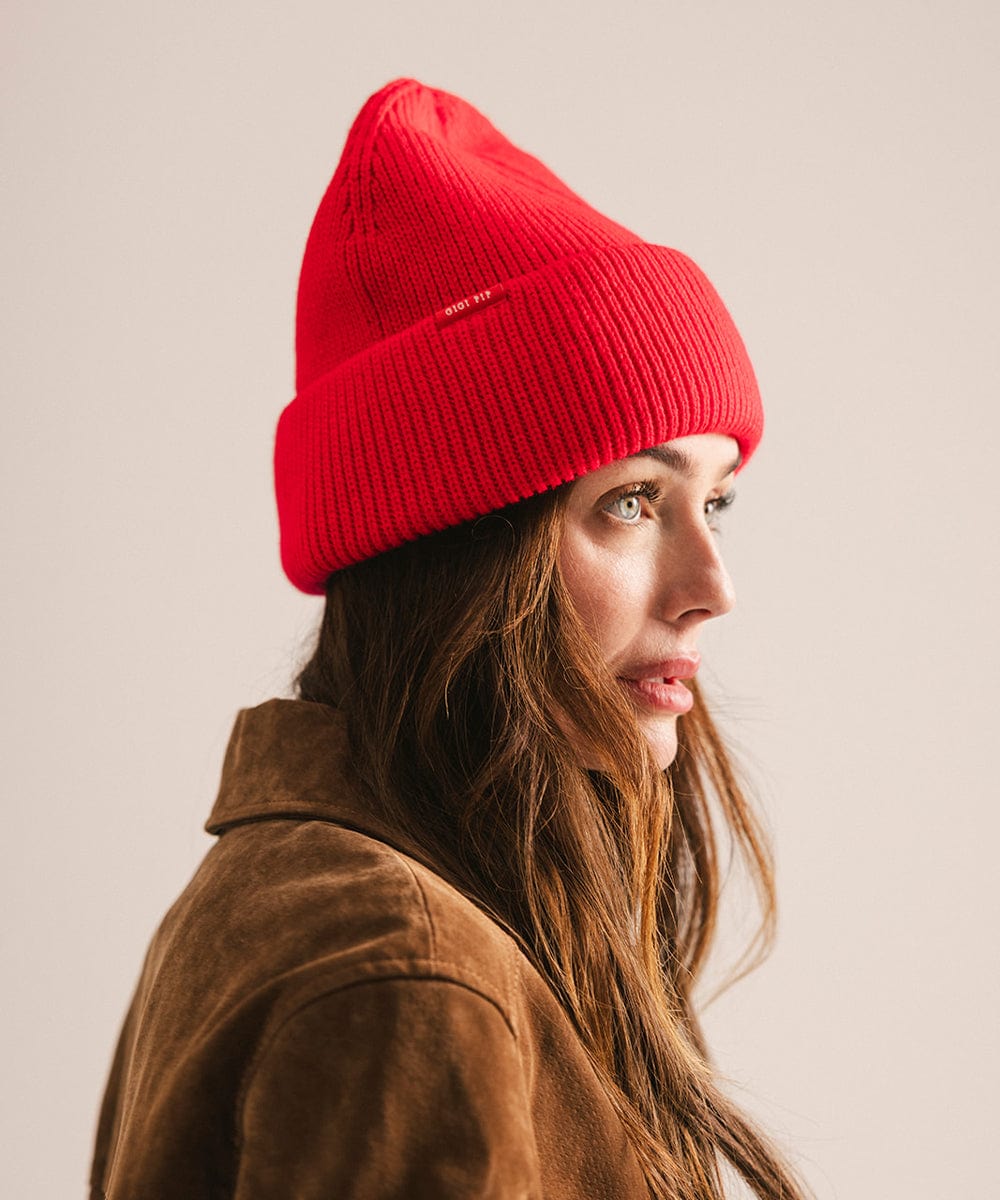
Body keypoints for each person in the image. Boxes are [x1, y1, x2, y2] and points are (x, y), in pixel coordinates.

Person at [90, 79, 805, 1200]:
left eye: (714, 503)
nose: (710, 587)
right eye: (629, 500)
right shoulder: (404, 969)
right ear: (457, 548)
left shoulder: (311, 891)